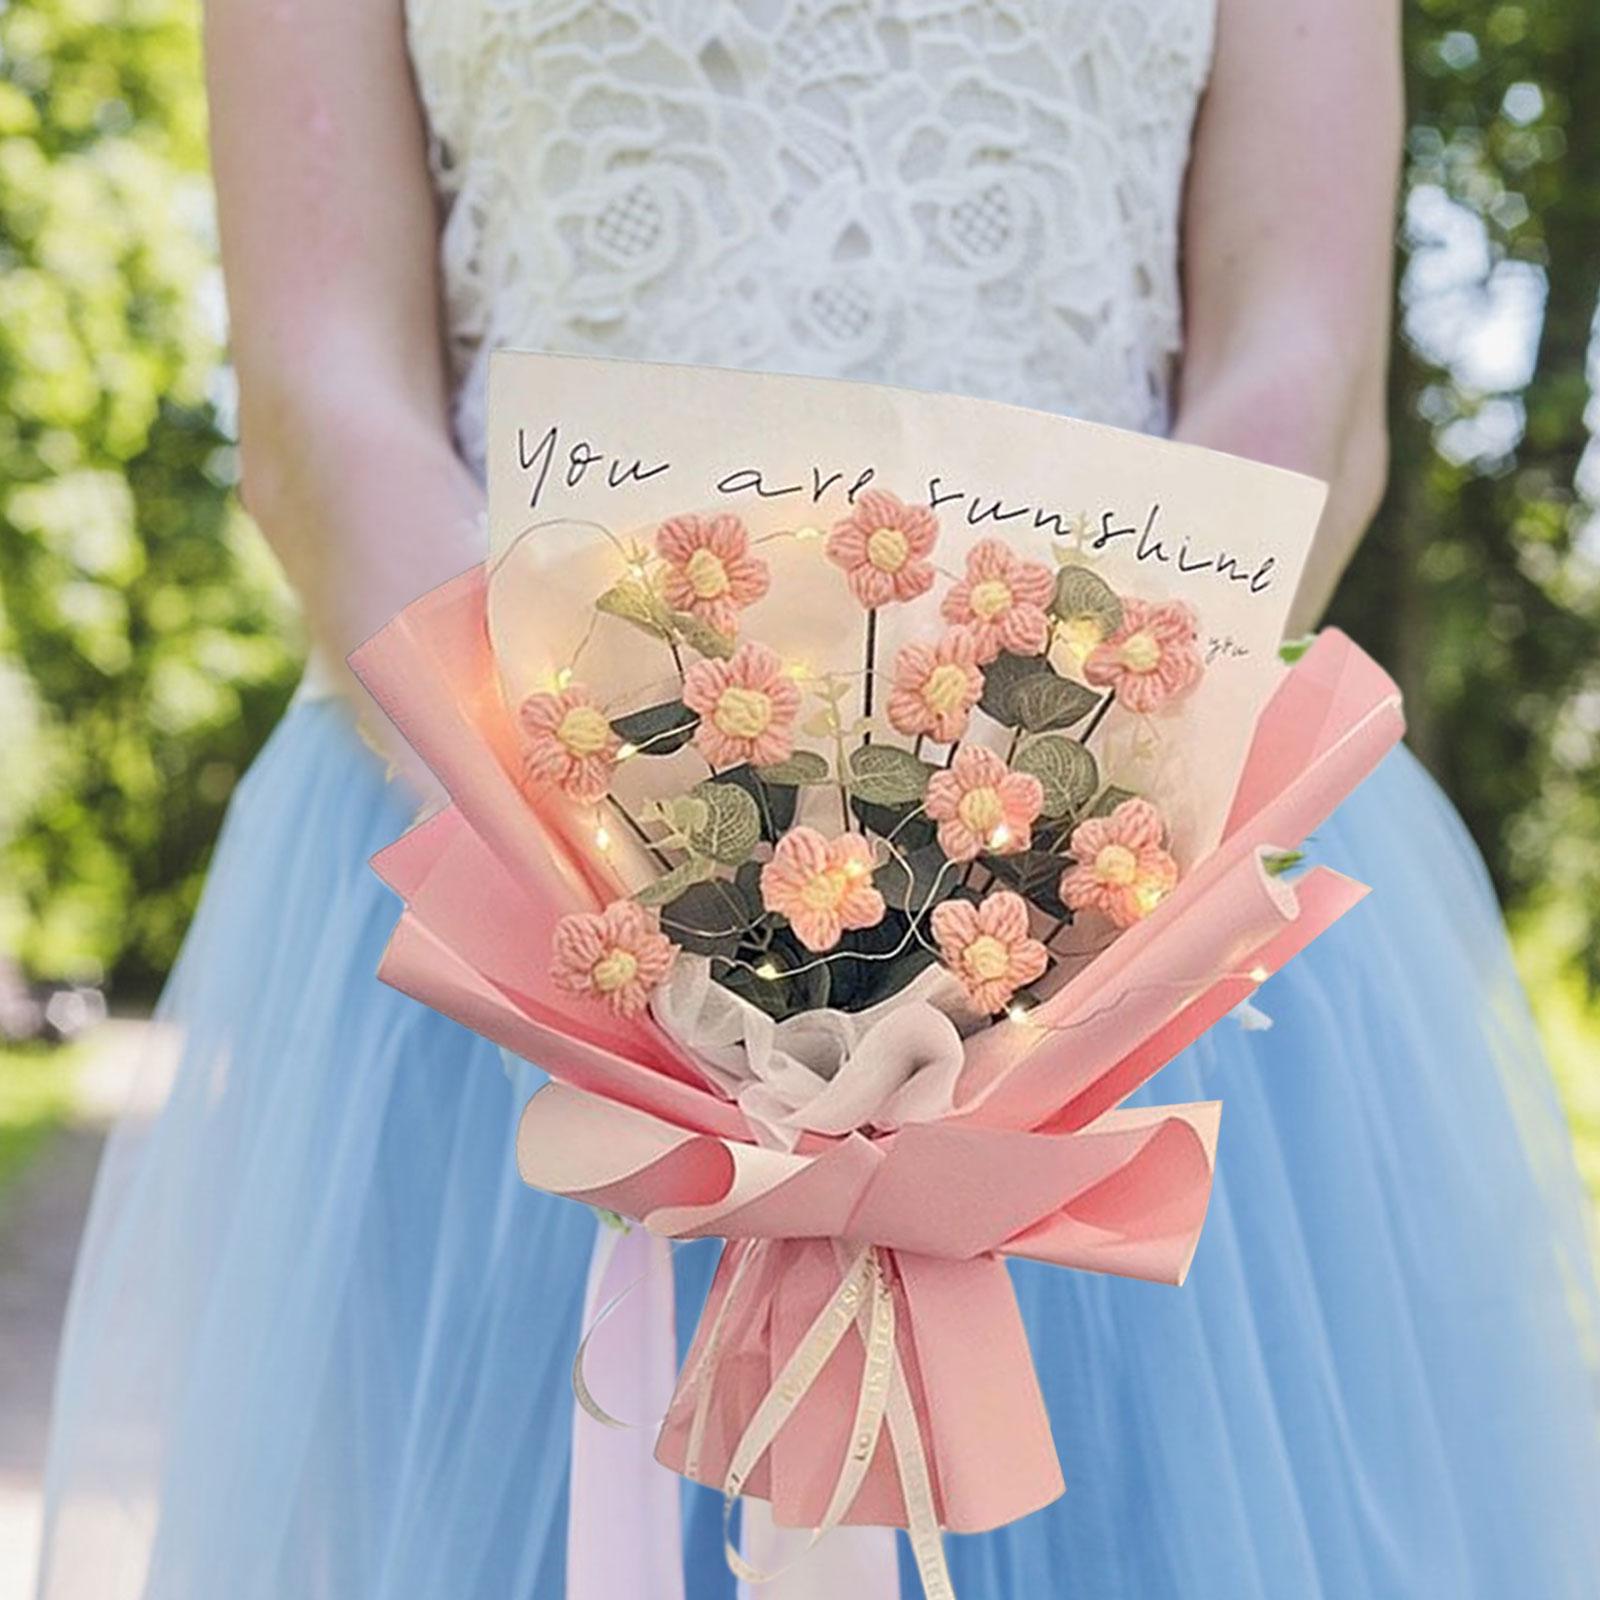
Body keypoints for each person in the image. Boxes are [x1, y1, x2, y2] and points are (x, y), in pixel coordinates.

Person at [36, 2, 1600, 1596]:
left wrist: (1060, 868)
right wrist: (621, 878)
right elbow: (321, 392)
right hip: (505, 867)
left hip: (1127, 869)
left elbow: (1304, 365)